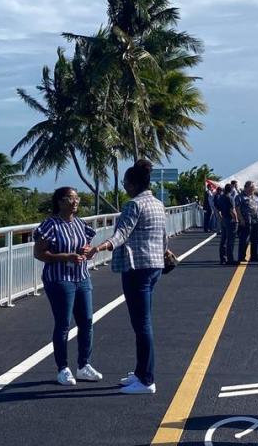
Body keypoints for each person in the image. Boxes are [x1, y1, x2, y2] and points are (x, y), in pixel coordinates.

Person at [86, 159, 167, 394]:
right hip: (154, 266)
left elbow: (122, 233)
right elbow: (163, 235)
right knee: (144, 323)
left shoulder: (134, 205)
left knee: (142, 325)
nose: (124, 186)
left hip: (136, 268)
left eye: (125, 183)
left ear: (132, 184)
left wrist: (99, 248)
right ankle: (141, 372)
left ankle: (147, 379)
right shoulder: (157, 204)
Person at [32, 187, 104, 385]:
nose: (75, 202)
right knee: (63, 324)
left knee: (87, 321)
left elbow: (86, 244)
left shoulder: (80, 224)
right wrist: (64, 257)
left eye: (76, 198)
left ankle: (84, 365)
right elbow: (39, 253)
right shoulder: (50, 225)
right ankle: (63, 368)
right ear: (60, 202)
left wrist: (87, 250)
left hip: (81, 276)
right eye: (70, 198)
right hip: (59, 278)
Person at [235, 181, 258, 262]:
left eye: (253, 187)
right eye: (251, 187)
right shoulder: (240, 197)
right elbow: (237, 209)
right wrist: (241, 219)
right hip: (246, 221)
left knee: (255, 240)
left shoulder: (255, 197)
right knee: (245, 240)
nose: (253, 189)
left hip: (256, 221)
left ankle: (254, 256)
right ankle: (242, 256)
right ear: (246, 187)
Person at [216, 183, 239, 265]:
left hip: (224, 219)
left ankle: (222, 258)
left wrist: (220, 217)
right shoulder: (230, 198)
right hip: (230, 219)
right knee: (230, 240)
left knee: (223, 240)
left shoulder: (221, 197)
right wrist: (236, 219)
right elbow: (232, 210)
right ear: (231, 189)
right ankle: (230, 259)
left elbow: (217, 209)